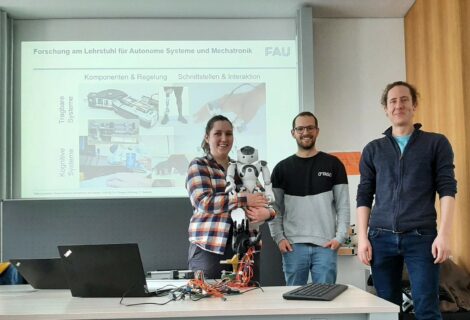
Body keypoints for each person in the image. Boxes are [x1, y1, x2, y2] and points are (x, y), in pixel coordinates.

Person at [356, 81, 457, 320]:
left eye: (404, 100)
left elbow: (447, 189)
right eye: (393, 101)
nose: (398, 105)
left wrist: (443, 235)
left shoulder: (436, 143)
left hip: (421, 237)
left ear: (414, 105)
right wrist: (362, 238)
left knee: (427, 308)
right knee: (385, 310)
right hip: (380, 238)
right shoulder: (373, 149)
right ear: (385, 108)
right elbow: (364, 195)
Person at [186, 114, 276, 279]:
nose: (224, 138)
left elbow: (265, 200)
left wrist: (268, 213)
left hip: (247, 248)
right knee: (210, 302)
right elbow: (204, 202)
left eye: (228, 133)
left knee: (249, 300)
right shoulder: (199, 165)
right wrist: (244, 199)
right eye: (217, 133)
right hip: (211, 247)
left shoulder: (242, 168)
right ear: (207, 137)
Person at [268, 111, 350, 285]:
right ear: (293, 133)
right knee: (295, 303)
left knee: (326, 301)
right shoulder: (281, 169)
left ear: (317, 131)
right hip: (293, 246)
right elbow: (274, 209)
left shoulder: (333, 164)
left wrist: (340, 237)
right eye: (300, 128)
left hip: (326, 245)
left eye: (310, 128)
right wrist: (279, 238)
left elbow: (343, 206)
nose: (305, 132)